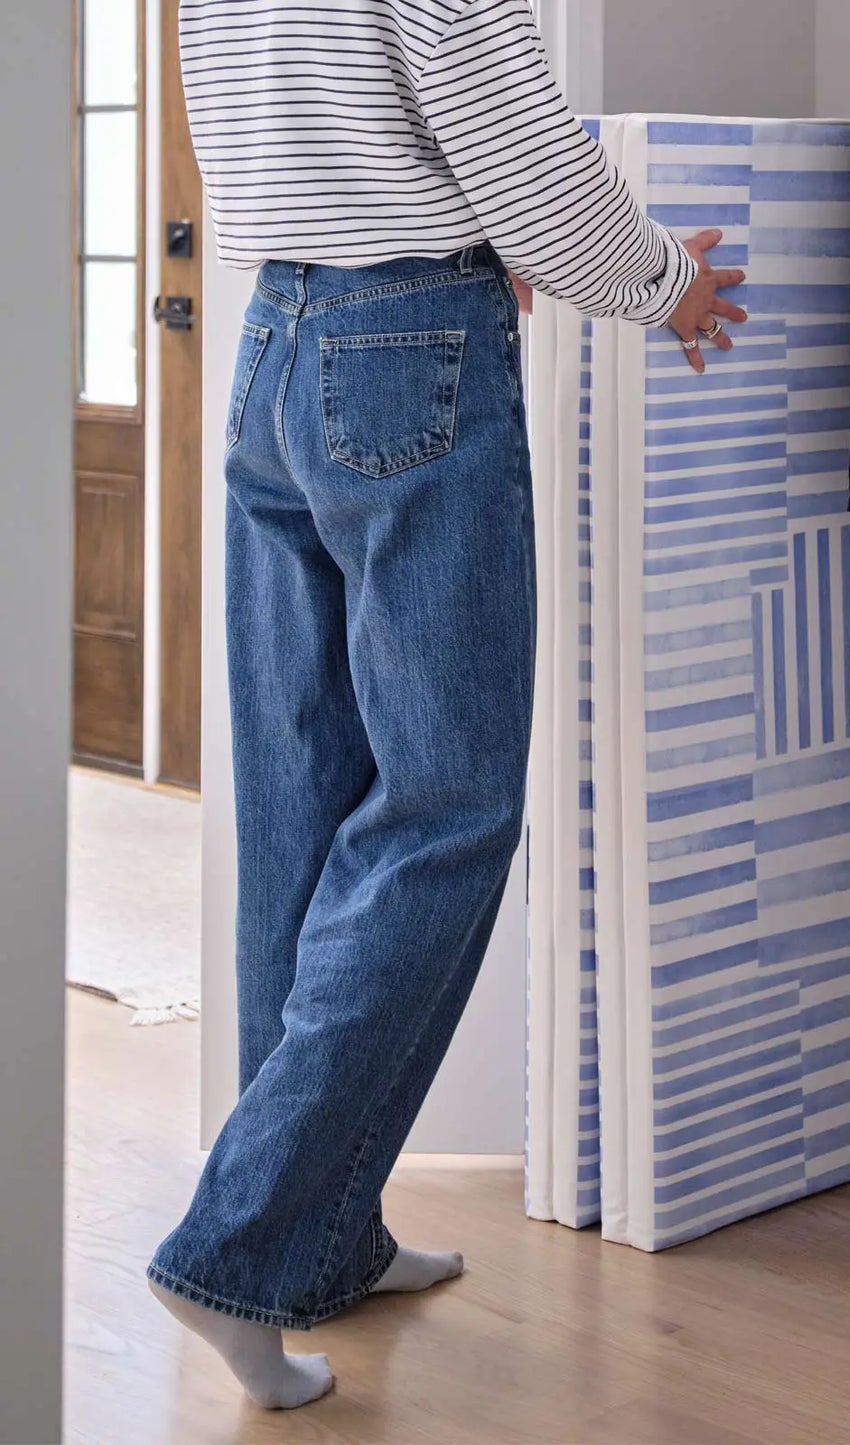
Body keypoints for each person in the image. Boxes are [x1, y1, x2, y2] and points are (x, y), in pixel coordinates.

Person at [147, 0, 745, 1410]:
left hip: (275, 336)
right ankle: (236, 1242)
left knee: (303, 803)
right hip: (407, 339)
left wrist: (450, 232)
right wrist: (661, 280)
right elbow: (510, 128)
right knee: (445, 803)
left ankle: (318, 1235)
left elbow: (268, 107)